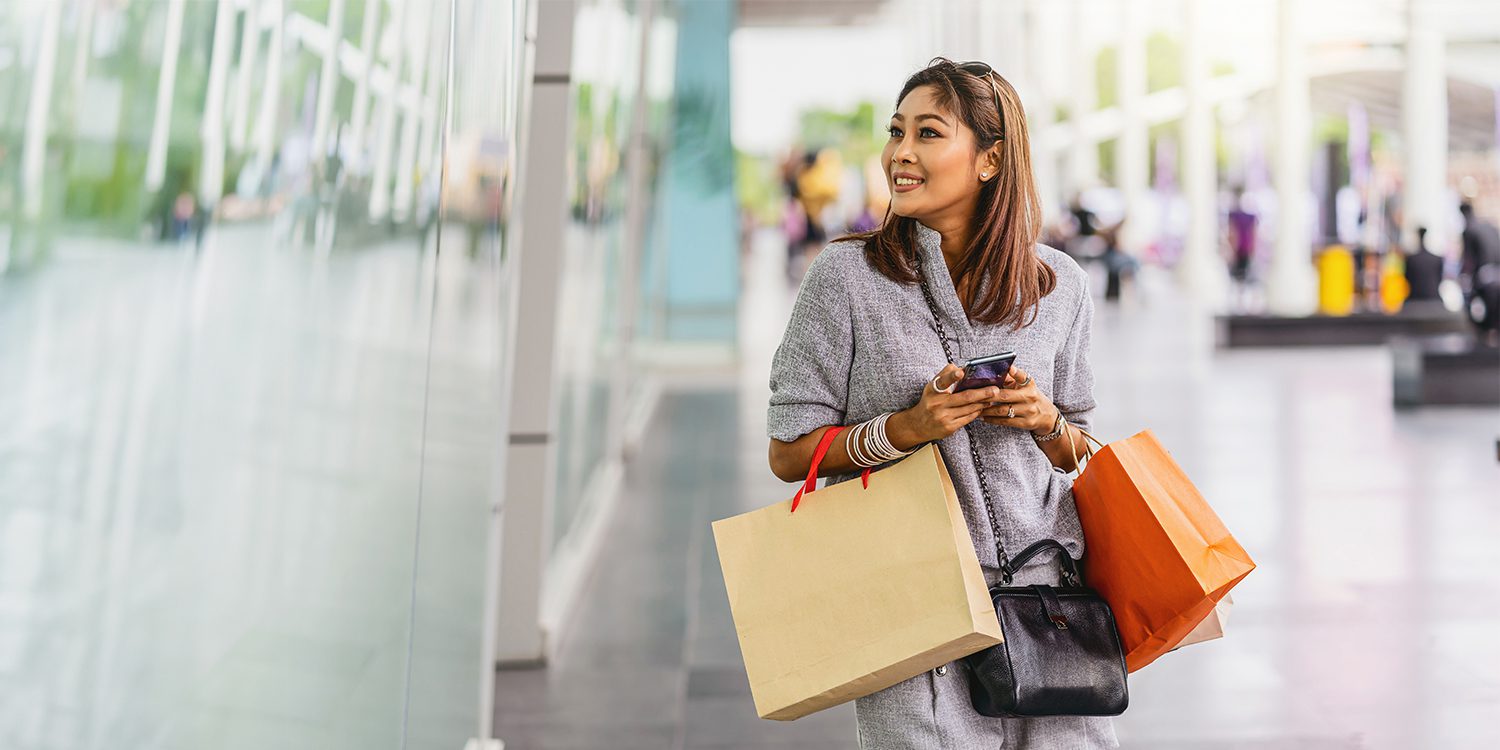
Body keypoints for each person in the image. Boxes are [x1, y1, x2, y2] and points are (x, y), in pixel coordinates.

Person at [765, 58, 1114, 749]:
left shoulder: (1059, 286)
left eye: (928, 133)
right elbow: (788, 450)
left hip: (1050, 605)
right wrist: (905, 429)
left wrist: (1047, 423)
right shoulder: (846, 279)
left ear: (989, 160)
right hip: (907, 600)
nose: (901, 153)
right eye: (897, 132)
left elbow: (1083, 447)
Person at [1403, 226, 1444, 305]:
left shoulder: (1411, 259)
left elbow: (1407, 278)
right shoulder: (1436, 259)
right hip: (1432, 299)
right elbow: (1440, 278)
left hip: (1414, 299)